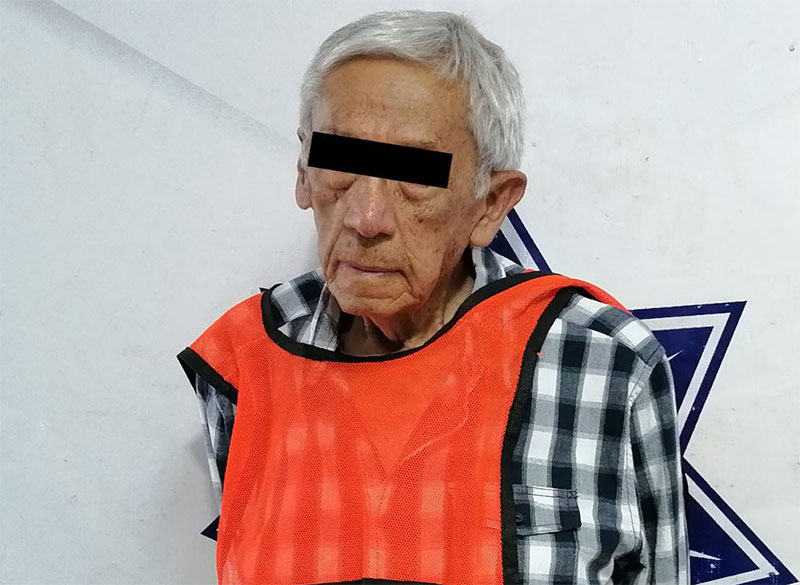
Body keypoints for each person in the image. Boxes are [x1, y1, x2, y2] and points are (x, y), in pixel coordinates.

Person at [177, 9, 689, 585]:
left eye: (415, 176)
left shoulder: (602, 363)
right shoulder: (247, 362)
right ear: (302, 171)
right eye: (340, 161)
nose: (366, 218)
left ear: (491, 203)